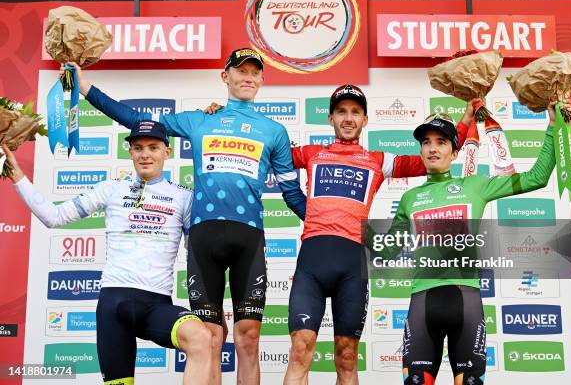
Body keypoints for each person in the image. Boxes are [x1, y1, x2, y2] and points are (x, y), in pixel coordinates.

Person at [63, 47, 306, 385]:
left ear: (263, 79)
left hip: (249, 239)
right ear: (226, 77)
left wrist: (327, 224)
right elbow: (137, 122)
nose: (248, 77)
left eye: (255, 72)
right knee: (210, 337)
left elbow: (291, 192)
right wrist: (86, 87)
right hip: (204, 240)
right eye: (241, 71)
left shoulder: (274, 131)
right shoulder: (199, 119)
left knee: (249, 338)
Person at [202, 85, 474, 384]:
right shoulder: (311, 153)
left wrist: (466, 118)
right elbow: (260, 149)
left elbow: (433, 157)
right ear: (330, 118)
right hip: (312, 265)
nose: (348, 118)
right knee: (300, 350)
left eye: (355, 112)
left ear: (365, 120)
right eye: (341, 112)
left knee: (346, 357)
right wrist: (223, 117)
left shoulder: (377, 160)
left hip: (352, 267)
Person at [2, 121, 213, 385]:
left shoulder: (184, 197)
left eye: (153, 148)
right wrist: (18, 176)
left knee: (201, 337)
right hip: (113, 308)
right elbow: (53, 217)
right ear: (130, 153)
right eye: (138, 148)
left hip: (155, 305)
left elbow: (198, 250)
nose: (145, 154)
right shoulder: (111, 189)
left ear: (166, 152)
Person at [388, 102, 561, 385]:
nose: (432, 149)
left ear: (454, 152)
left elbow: (537, 178)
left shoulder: (475, 186)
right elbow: (387, 248)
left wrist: (553, 125)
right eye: (426, 142)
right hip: (422, 302)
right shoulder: (409, 199)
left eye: (441, 142)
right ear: (420, 150)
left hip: (465, 302)